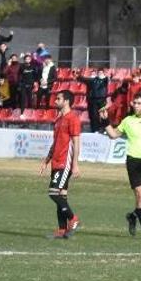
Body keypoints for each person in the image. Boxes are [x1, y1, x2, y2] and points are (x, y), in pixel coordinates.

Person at [106, 91, 141, 241]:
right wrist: (104, 122)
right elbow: (113, 135)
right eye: (134, 103)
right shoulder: (128, 120)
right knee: (140, 195)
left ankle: (133, 216)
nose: (136, 106)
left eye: (139, 103)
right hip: (133, 162)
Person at [40, 90, 83, 239]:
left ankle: (73, 218)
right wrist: (47, 160)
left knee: (53, 192)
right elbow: (55, 142)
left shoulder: (73, 119)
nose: (55, 101)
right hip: (56, 161)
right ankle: (62, 230)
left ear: (66, 101)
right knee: (61, 195)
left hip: (65, 162)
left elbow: (76, 143)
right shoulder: (58, 120)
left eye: (58, 99)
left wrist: (75, 164)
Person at [85, 68, 110, 133]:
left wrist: (107, 76)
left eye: (101, 72)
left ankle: (105, 128)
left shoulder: (105, 79)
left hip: (102, 99)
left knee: (103, 115)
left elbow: (107, 79)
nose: (100, 74)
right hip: (93, 100)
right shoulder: (93, 80)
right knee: (94, 115)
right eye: (99, 72)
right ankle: (95, 129)